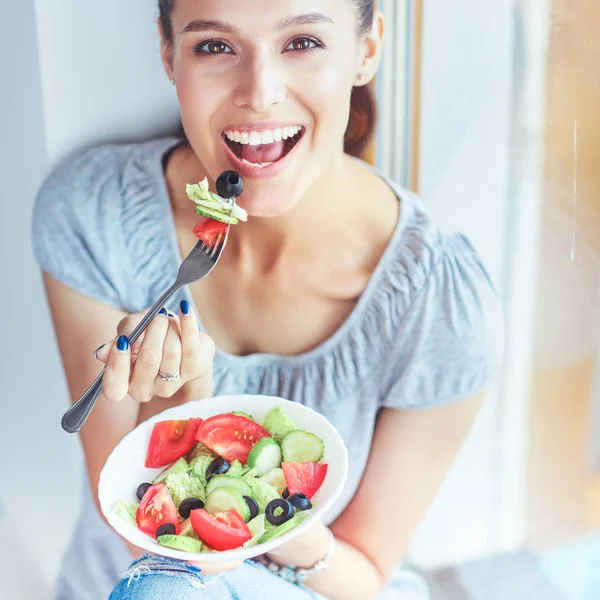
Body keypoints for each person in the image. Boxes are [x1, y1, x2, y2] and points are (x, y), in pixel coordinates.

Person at [32, 1, 504, 599]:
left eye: (302, 42)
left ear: (368, 48)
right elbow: (140, 539)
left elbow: (362, 579)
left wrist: (285, 518)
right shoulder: (90, 216)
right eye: (215, 47)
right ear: (169, 53)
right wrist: (179, 411)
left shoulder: (444, 307)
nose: (260, 93)